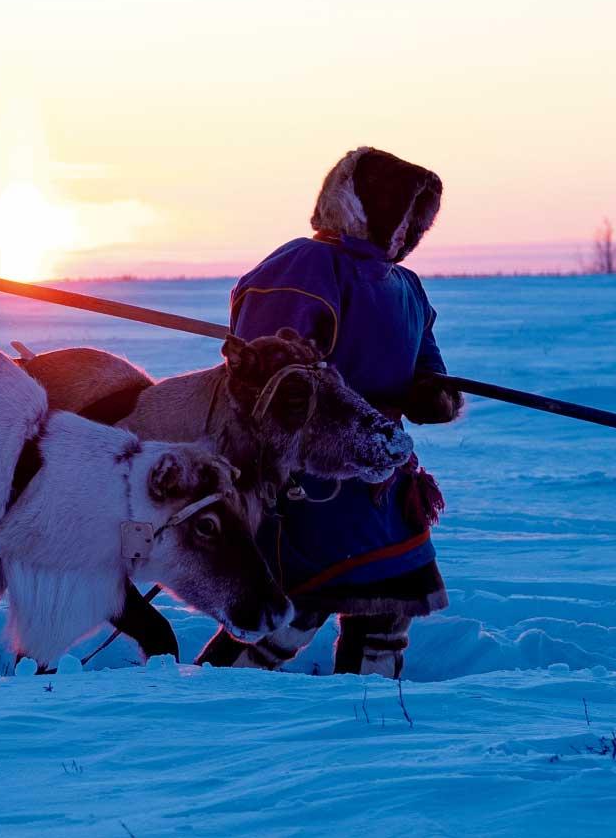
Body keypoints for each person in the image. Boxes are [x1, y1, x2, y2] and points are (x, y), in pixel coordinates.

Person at [195, 147, 463, 677]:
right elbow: (265, 377)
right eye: (401, 217)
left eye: (417, 223)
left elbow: (427, 367)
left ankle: (370, 720)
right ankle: (214, 702)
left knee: (388, 611)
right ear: (363, 209)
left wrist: (431, 393)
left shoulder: (406, 286)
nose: (408, 234)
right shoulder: (304, 265)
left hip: (385, 477)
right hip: (311, 477)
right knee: (290, 611)